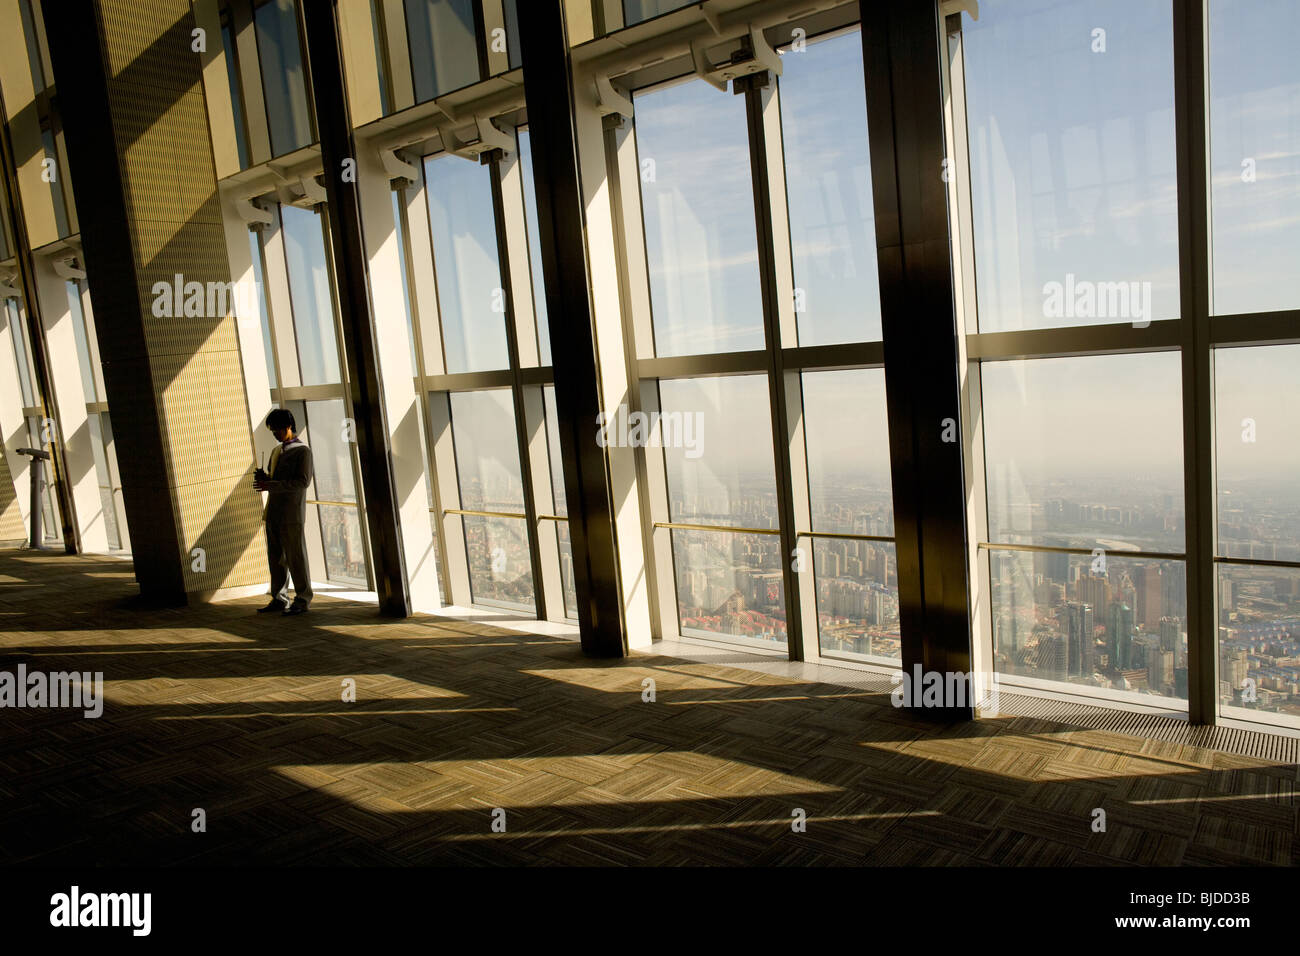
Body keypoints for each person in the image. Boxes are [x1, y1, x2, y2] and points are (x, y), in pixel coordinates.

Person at [254, 408, 313, 615]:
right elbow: (276, 479)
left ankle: (303, 599)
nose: (275, 434)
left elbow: (303, 482)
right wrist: (265, 479)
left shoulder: (303, 451)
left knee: (296, 557)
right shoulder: (277, 450)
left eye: (278, 429)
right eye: (272, 431)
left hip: (291, 513)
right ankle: (279, 598)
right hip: (274, 512)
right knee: (276, 557)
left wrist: (272, 485)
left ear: (289, 426)